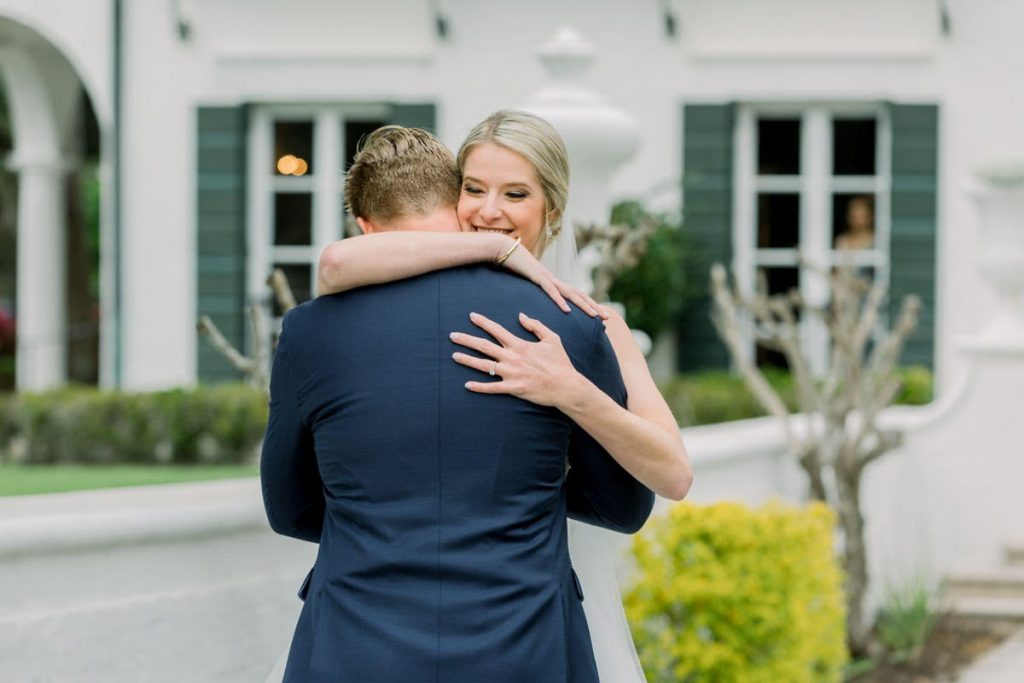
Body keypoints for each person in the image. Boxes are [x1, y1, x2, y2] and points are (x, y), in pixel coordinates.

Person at [261, 124, 659, 682]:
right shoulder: (570, 324)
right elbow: (623, 505)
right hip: (527, 646)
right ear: (455, 206)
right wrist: (526, 489)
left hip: (353, 644)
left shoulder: (309, 330)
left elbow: (289, 508)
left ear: (366, 226)